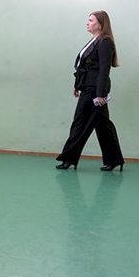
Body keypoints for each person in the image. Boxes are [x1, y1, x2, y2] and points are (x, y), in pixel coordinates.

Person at [56, 10, 124, 172]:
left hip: (94, 90)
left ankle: (68, 158)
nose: (88, 23)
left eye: (91, 20)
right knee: (103, 125)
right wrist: (77, 85)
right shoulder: (94, 41)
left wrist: (100, 94)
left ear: (100, 24)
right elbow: (84, 67)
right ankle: (114, 160)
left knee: (80, 121)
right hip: (88, 86)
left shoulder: (105, 42)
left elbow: (103, 70)